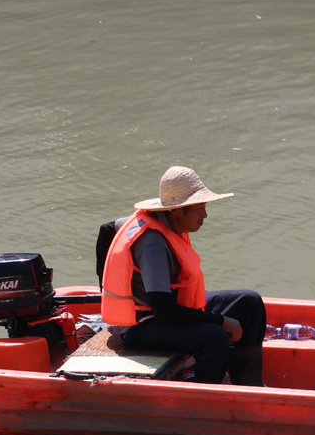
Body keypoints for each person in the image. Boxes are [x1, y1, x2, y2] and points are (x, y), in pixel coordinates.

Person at [100, 165, 268, 385]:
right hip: (141, 325)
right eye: (199, 207)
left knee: (249, 302)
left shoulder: (163, 221)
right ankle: (205, 398)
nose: (205, 215)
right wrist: (220, 321)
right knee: (213, 336)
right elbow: (164, 311)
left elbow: (107, 229)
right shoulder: (153, 243)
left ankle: (248, 384)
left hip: (167, 309)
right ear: (177, 210)